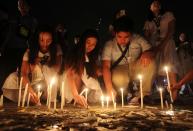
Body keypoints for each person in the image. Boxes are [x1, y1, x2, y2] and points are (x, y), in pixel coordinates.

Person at [2, 25, 62, 104]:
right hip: (31, 82)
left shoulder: (56, 49)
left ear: (53, 40)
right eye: (42, 40)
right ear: (37, 39)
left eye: (48, 40)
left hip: (48, 83)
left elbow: (57, 68)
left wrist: (44, 63)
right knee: (19, 86)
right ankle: (32, 97)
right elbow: (24, 73)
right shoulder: (30, 52)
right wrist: (30, 91)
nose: (45, 44)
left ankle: (48, 98)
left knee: (49, 70)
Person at [102, 16, 156, 104]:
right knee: (118, 78)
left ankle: (143, 96)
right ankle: (123, 95)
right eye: (119, 37)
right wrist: (109, 88)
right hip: (120, 69)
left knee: (150, 62)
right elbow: (106, 67)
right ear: (115, 34)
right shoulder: (109, 45)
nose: (123, 40)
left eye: (126, 37)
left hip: (136, 66)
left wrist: (148, 53)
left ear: (131, 34)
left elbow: (151, 50)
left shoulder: (138, 39)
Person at [143, 0, 180, 100]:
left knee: (171, 68)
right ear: (150, 7)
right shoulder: (148, 21)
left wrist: (162, 44)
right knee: (157, 70)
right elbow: (146, 36)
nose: (155, 4)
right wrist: (151, 48)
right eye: (153, 3)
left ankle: (174, 97)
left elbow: (171, 31)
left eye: (157, 2)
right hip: (154, 46)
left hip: (167, 43)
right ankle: (161, 96)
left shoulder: (168, 15)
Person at [63, 29, 102, 108]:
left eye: (93, 44)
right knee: (77, 73)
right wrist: (75, 95)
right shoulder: (74, 53)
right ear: (82, 41)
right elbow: (70, 74)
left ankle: (82, 97)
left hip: (83, 87)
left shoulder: (91, 56)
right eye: (88, 42)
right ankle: (76, 99)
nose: (90, 46)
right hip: (71, 86)